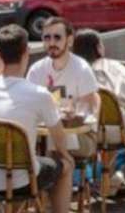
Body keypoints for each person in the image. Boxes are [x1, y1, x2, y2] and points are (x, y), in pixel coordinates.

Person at [0, 25, 74, 213]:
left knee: (27, 164)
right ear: (26, 51)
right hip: (21, 181)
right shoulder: (39, 94)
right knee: (66, 165)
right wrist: (66, 155)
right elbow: (59, 137)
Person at [72, 29, 125, 197]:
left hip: (82, 131)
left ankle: (91, 182)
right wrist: (124, 101)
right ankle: (110, 178)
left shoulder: (72, 70)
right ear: (98, 48)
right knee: (118, 131)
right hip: (113, 131)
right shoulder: (110, 66)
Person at [26, 17, 101, 162]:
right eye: (47, 38)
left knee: (55, 141)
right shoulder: (36, 70)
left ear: (70, 40)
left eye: (57, 37)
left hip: (81, 137)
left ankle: (55, 175)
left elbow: (90, 112)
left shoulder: (82, 68)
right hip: (45, 135)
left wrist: (76, 113)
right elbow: (29, 107)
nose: (52, 43)